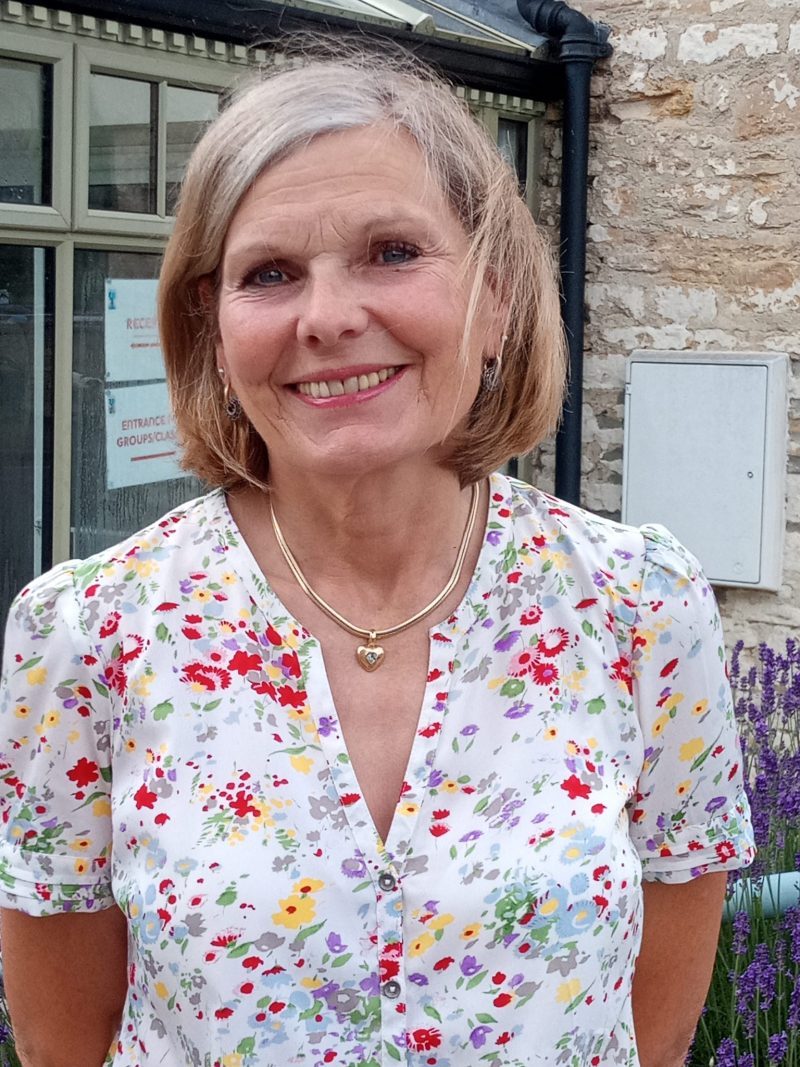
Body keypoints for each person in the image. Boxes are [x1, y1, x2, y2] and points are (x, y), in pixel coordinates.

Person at [0, 42, 754, 1067]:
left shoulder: (638, 608)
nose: (328, 317)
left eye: (391, 252)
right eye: (268, 273)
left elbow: (651, 1027)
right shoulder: (87, 632)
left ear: (493, 301)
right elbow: (62, 1037)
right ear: (211, 331)